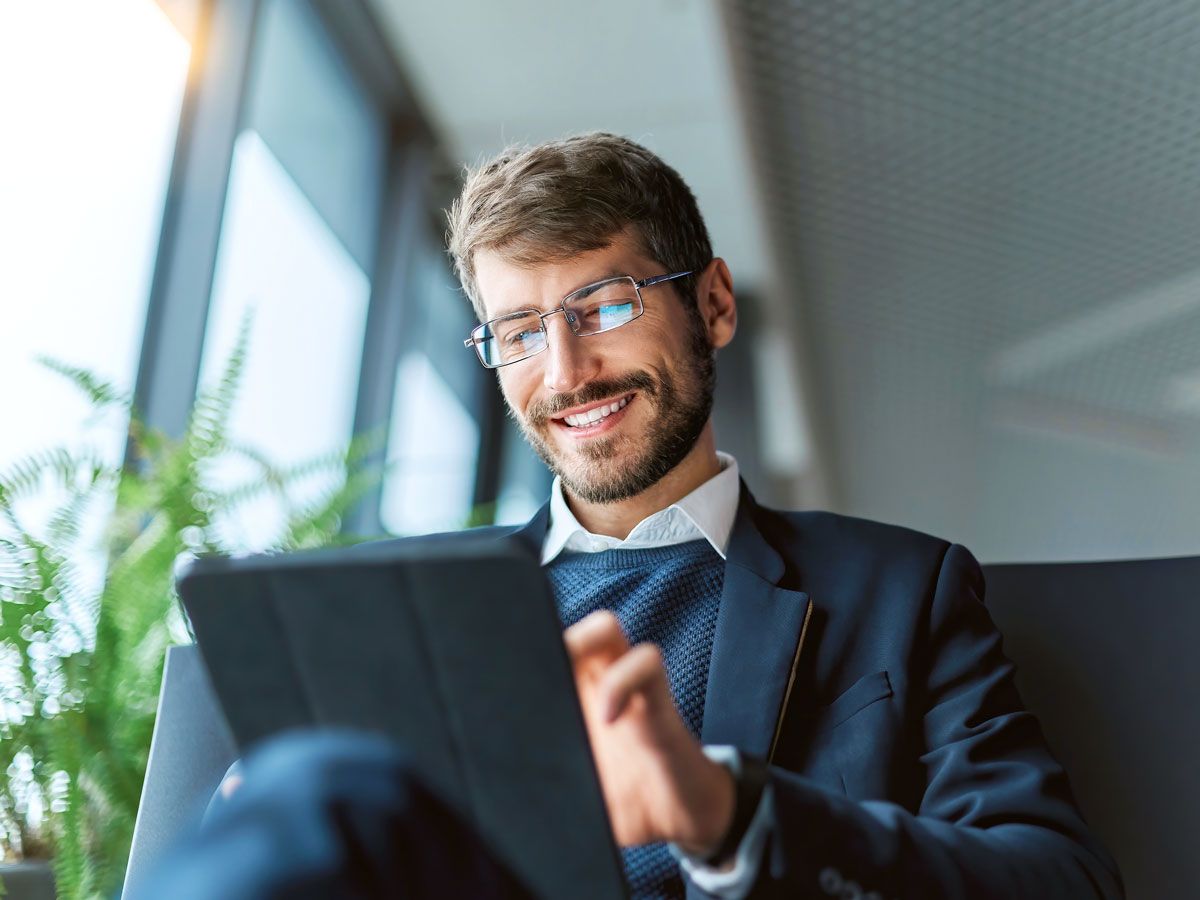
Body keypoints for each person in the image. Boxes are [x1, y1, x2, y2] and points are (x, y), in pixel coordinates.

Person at [149, 133, 1123, 900]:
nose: (566, 373)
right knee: (301, 787)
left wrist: (726, 812)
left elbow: (1062, 881)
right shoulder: (403, 609)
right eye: (521, 332)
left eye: (604, 306)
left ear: (714, 305)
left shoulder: (900, 593)